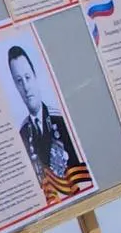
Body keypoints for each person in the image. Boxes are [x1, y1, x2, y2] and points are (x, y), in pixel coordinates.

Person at [9, 45, 88, 198]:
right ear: (15, 86)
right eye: (19, 81)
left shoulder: (60, 120)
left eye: (27, 77)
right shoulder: (23, 133)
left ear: (35, 76)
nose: (25, 86)